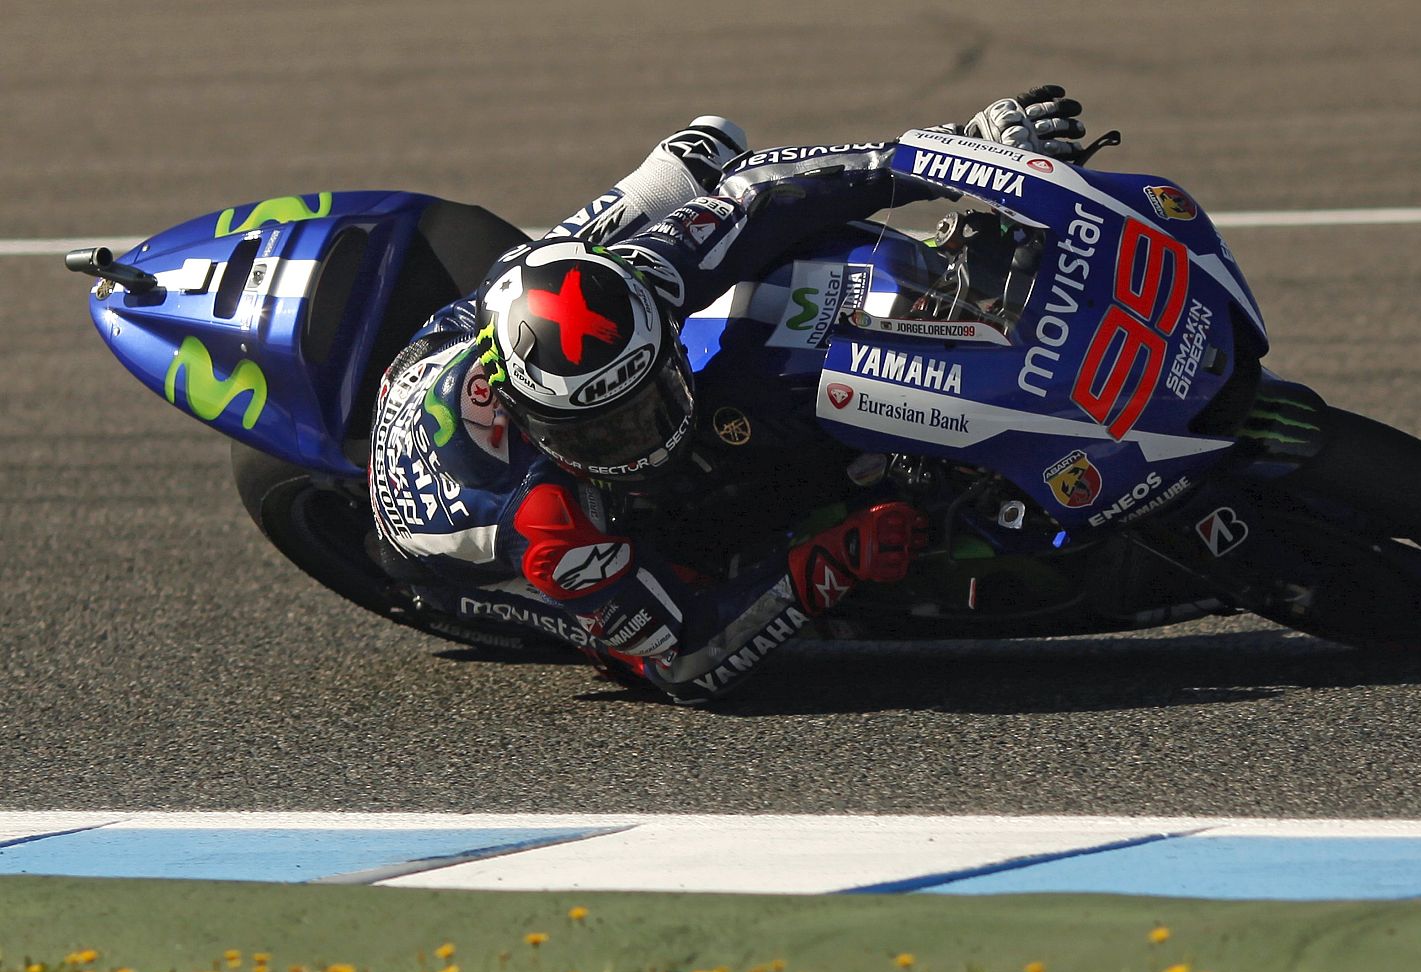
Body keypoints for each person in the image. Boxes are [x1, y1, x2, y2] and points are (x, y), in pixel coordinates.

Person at [368, 87, 1089, 702]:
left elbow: (758, 196)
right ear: (532, 417)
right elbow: (684, 659)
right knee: (661, 580)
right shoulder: (546, 524)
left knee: (703, 153)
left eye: (648, 401)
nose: (646, 438)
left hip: (462, 328)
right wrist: (829, 562)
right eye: (607, 432)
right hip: (460, 533)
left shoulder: (641, 277)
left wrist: (951, 153)